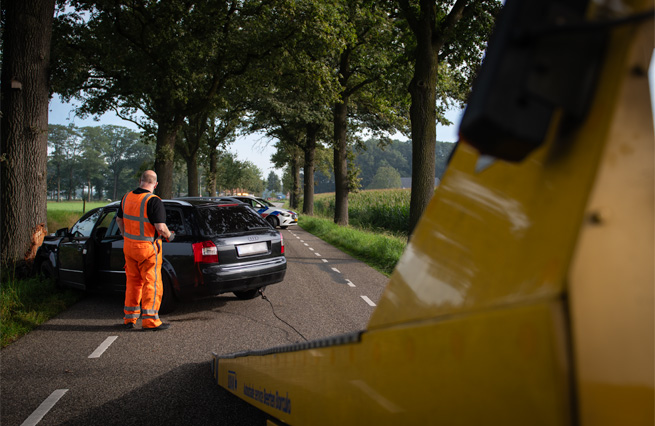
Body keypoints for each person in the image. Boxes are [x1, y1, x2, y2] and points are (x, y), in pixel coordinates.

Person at [116, 170, 173, 331]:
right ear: (155, 184)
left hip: (129, 246)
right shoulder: (153, 201)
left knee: (133, 282)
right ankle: (150, 321)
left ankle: (129, 319)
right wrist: (170, 236)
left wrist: (125, 235)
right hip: (147, 248)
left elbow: (119, 219)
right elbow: (160, 227)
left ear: (140, 180)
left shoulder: (127, 197)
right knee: (152, 283)